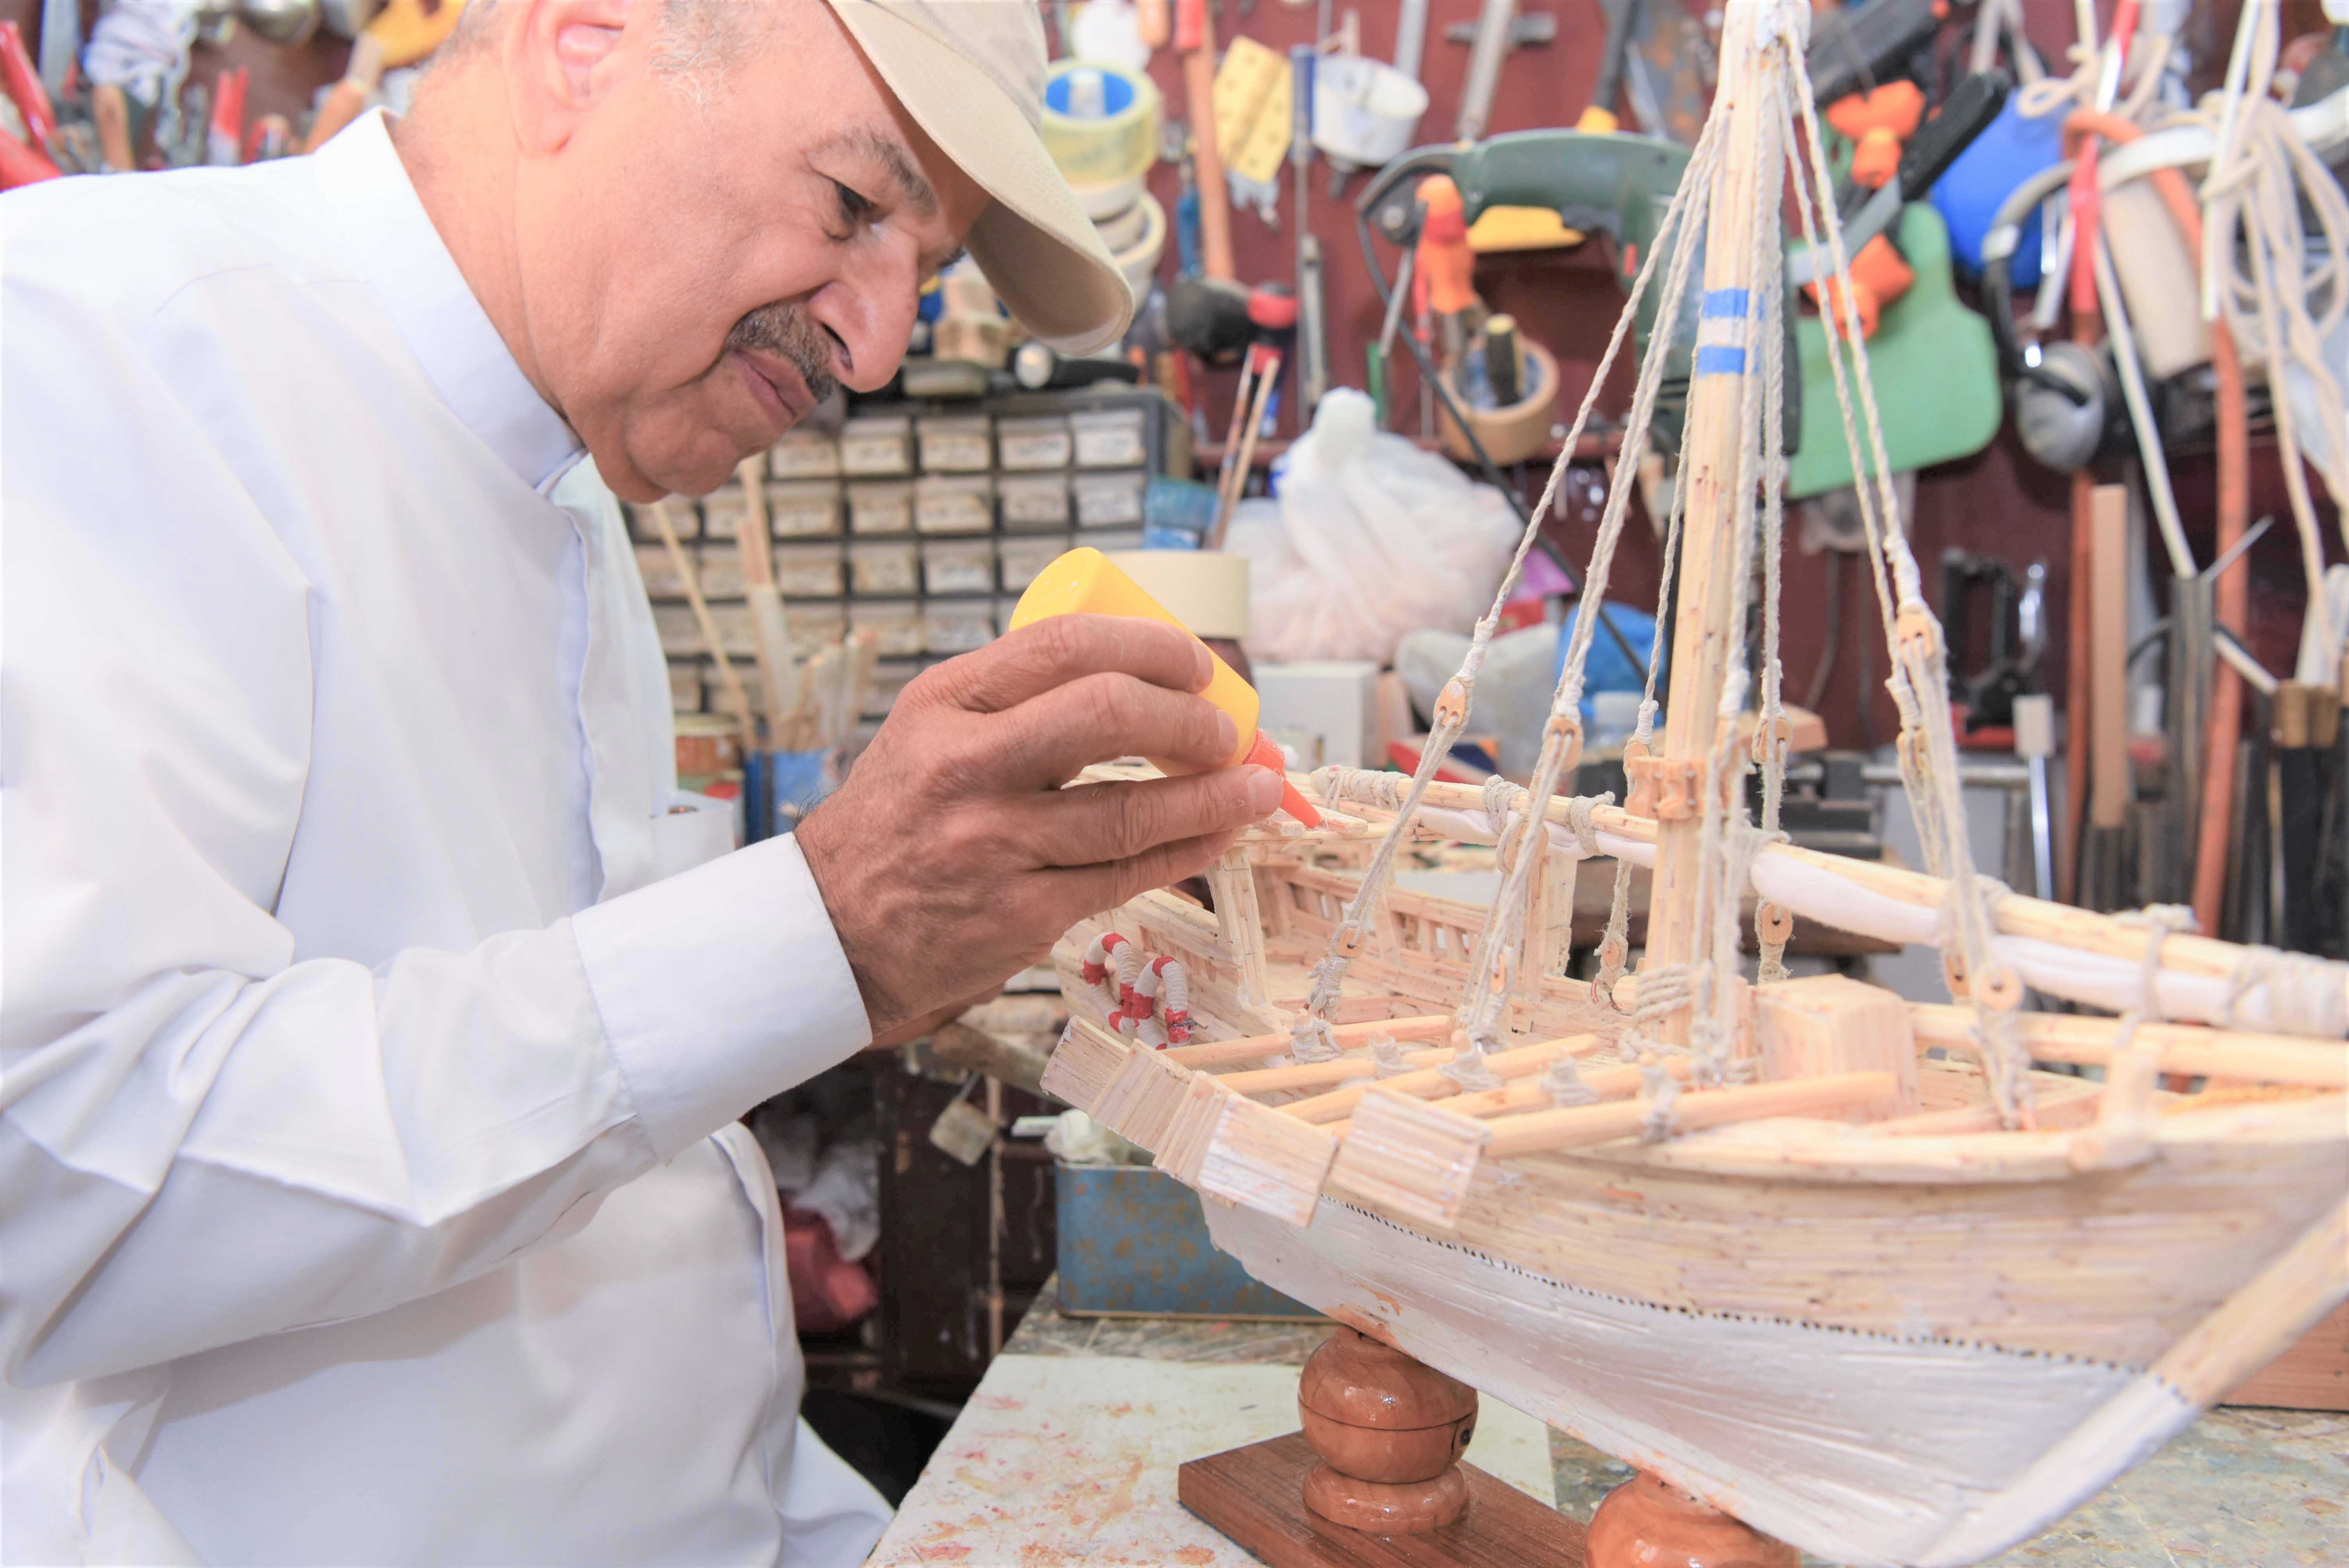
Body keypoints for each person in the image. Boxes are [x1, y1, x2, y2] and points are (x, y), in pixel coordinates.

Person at [0, 2, 1277, 1561]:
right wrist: (822, 933)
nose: (878, 348)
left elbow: (616, 1176)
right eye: (853, 206)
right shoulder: (92, 348)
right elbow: (52, 1170)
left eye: (922, 272)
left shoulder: (565, 468)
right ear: (583, 42)